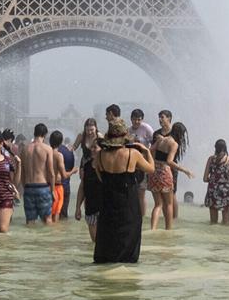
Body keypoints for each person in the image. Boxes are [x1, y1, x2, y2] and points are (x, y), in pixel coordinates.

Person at [92, 117, 155, 264]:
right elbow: (151, 169)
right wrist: (147, 152)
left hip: (108, 201)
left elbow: (100, 176)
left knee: (108, 233)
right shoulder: (132, 154)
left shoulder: (100, 155)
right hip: (128, 202)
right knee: (129, 233)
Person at [148, 112, 194, 230]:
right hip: (164, 171)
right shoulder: (173, 143)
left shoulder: (159, 139)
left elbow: (150, 150)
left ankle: (153, 229)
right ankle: (168, 229)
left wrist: (151, 164)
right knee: (168, 204)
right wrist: (185, 170)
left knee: (158, 204)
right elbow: (169, 161)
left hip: (154, 171)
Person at [20, 123, 59, 227]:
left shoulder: (25, 149)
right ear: (45, 135)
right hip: (42, 187)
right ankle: (46, 242)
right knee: (47, 220)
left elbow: (22, 172)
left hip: (28, 187)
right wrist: (53, 190)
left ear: (34, 133)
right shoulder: (47, 149)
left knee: (30, 221)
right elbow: (51, 172)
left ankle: (31, 243)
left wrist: (25, 187)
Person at [73, 118, 102, 239]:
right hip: (85, 163)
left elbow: (105, 148)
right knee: (85, 184)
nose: (89, 132)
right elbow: (73, 148)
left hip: (98, 161)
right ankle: (87, 210)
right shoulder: (81, 136)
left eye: (91, 130)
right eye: (87, 129)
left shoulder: (100, 136)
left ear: (95, 128)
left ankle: (92, 213)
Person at [203, 139, 229, 225]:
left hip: (212, 190)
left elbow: (205, 178)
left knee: (213, 223)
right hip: (225, 191)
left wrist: (214, 180)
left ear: (215, 148)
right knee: (226, 223)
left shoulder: (211, 159)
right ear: (225, 148)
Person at [49, 130, 74, 223]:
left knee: (49, 214)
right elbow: (64, 175)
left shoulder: (47, 153)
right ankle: (56, 234)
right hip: (58, 187)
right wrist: (73, 171)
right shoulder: (59, 155)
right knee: (56, 214)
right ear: (60, 142)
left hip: (47, 186)